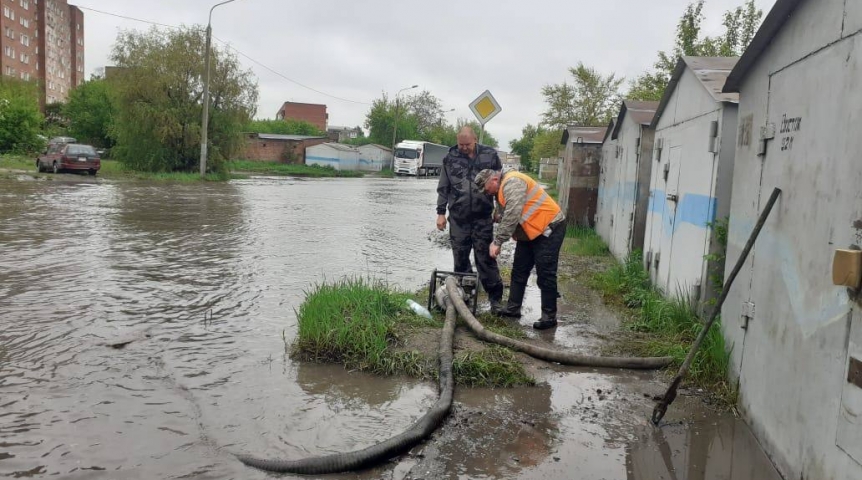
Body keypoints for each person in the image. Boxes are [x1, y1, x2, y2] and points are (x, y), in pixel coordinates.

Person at [473, 168, 566, 330]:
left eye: (486, 189)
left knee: (545, 274)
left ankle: (549, 317)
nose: (486, 193)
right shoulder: (500, 189)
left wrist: (498, 242)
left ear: (494, 180)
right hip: (530, 232)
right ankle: (513, 308)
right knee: (519, 271)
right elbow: (503, 210)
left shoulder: (512, 182)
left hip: (549, 228)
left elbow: (513, 213)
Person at [436, 127, 505, 313]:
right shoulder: (450, 158)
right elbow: (443, 187)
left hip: (483, 217)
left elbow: (500, 183)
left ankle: (495, 299)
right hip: (458, 218)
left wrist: (499, 209)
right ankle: (464, 295)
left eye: (467, 144)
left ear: (475, 139)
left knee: (485, 259)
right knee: (460, 258)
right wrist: (441, 213)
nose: (464, 148)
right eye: (460, 144)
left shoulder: (490, 155)